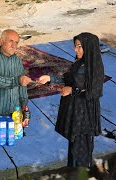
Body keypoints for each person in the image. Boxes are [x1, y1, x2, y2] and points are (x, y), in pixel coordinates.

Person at [38, 32, 105, 167]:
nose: (76, 50)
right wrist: (50, 78)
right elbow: (69, 79)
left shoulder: (95, 67)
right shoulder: (79, 63)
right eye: (75, 46)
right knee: (74, 147)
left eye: (79, 46)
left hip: (84, 115)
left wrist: (72, 90)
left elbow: (95, 91)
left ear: (89, 47)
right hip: (75, 112)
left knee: (81, 149)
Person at [0, 29, 32, 122]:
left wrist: (24, 106)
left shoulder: (17, 60)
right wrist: (17, 80)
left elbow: (22, 86)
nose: (14, 46)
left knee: (16, 135)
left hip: (14, 111)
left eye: (16, 42)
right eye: (11, 41)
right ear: (2, 41)